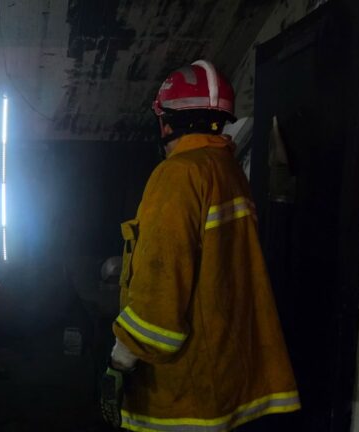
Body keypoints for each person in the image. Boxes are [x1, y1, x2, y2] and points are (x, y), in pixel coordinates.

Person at [100, 60, 300, 431]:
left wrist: (121, 360)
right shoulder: (227, 170)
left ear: (165, 122)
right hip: (223, 379)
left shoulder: (177, 175)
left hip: (182, 391)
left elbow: (160, 282)